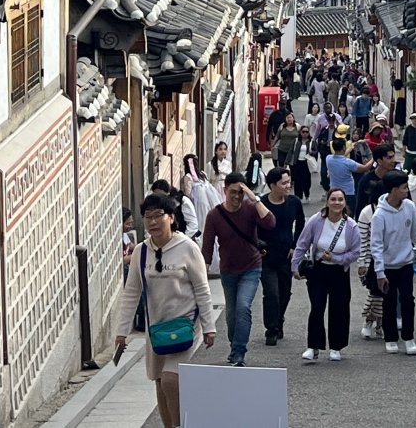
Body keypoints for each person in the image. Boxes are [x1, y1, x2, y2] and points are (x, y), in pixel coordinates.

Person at [113, 193, 216, 428]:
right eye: (147, 217)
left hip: (186, 325)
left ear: (171, 217)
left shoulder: (188, 248)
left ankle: (181, 425)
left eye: (158, 215)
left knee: (171, 380)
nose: (153, 222)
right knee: (159, 381)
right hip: (156, 328)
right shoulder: (141, 251)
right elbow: (131, 293)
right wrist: (122, 331)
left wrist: (209, 327)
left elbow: (202, 289)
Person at [200, 173, 276, 367]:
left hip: (251, 267)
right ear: (224, 190)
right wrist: (202, 275)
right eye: (232, 192)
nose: (236, 197)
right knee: (232, 313)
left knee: (243, 306)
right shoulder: (214, 215)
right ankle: (235, 344)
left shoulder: (250, 208)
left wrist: (254, 197)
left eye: (240, 193)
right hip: (229, 270)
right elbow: (207, 248)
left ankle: (239, 352)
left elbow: (270, 222)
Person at [291, 187, 362, 363]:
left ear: (345, 203)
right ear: (327, 202)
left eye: (340, 200)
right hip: (318, 270)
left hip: (339, 272)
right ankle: (313, 346)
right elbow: (302, 243)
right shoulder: (316, 220)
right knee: (317, 307)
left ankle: (336, 347)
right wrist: (294, 266)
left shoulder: (351, 226)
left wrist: (337, 258)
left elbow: (355, 252)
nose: (336, 203)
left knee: (339, 308)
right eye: (333, 199)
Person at [370, 171, 416, 355]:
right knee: (389, 301)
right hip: (387, 266)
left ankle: (409, 337)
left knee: (408, 300)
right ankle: (391, 337)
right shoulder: (379, 215)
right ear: (394, 190)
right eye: (404, 188)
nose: (407, 191)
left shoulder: (409, 207)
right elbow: (376, 245)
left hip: (406, 263)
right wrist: (379, 272)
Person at [259, 168, 304, 346]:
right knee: (271, 293)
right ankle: (271, 329)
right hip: (266, 256)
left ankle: (279, 320)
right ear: (272, 186)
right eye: (283, 183)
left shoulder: (294, 202)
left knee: (285, 292)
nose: (288, 186)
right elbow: (253, 228)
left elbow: (301, 224)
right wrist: (259, 245)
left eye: (288, 182)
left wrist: (295, 246)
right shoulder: (262, 204)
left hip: (287, 255)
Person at [354, 199, 385, 340]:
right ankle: (370, 322)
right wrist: (363, 263)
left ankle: (380, 324)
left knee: (388, 295)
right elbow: (362, 240)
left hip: (393, 259)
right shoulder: (368, 212)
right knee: (376, 293)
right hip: (373, 260)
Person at [325, 137, 367, 215]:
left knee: (335, 214)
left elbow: (340, 156)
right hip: (348, 194)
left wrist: (351, 147)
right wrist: (374, 158)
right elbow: (364, 168)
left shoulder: (328, 159)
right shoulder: (349, 163)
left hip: (333, 192)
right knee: (348, 216)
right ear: (344, 147)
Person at [354, 144, 396, 220]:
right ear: (379, 161)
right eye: (389, 157)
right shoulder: (366, 181)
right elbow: (360, 206)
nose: (393, 160)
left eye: (393, 156)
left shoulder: (397, 178)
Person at [291, 127, 314, 202]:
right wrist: (286, 162)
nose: (305, 133)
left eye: (306, 132)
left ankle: (307, 193)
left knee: (306, 181)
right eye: (303, 132)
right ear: (300, 132)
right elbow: (291, 151)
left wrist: (312, 153)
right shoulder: (296, 141)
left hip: (306, 163)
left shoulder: (311, 142)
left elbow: (316, 151)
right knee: (297, 181)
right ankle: (298, 197)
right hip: (297, 163)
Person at [120, 207, 137, 279]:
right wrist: (136, 255)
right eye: (128, 224)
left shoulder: (124, 234)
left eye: (131, 223)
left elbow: (130, 245)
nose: (130, 226)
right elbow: (122, 260)